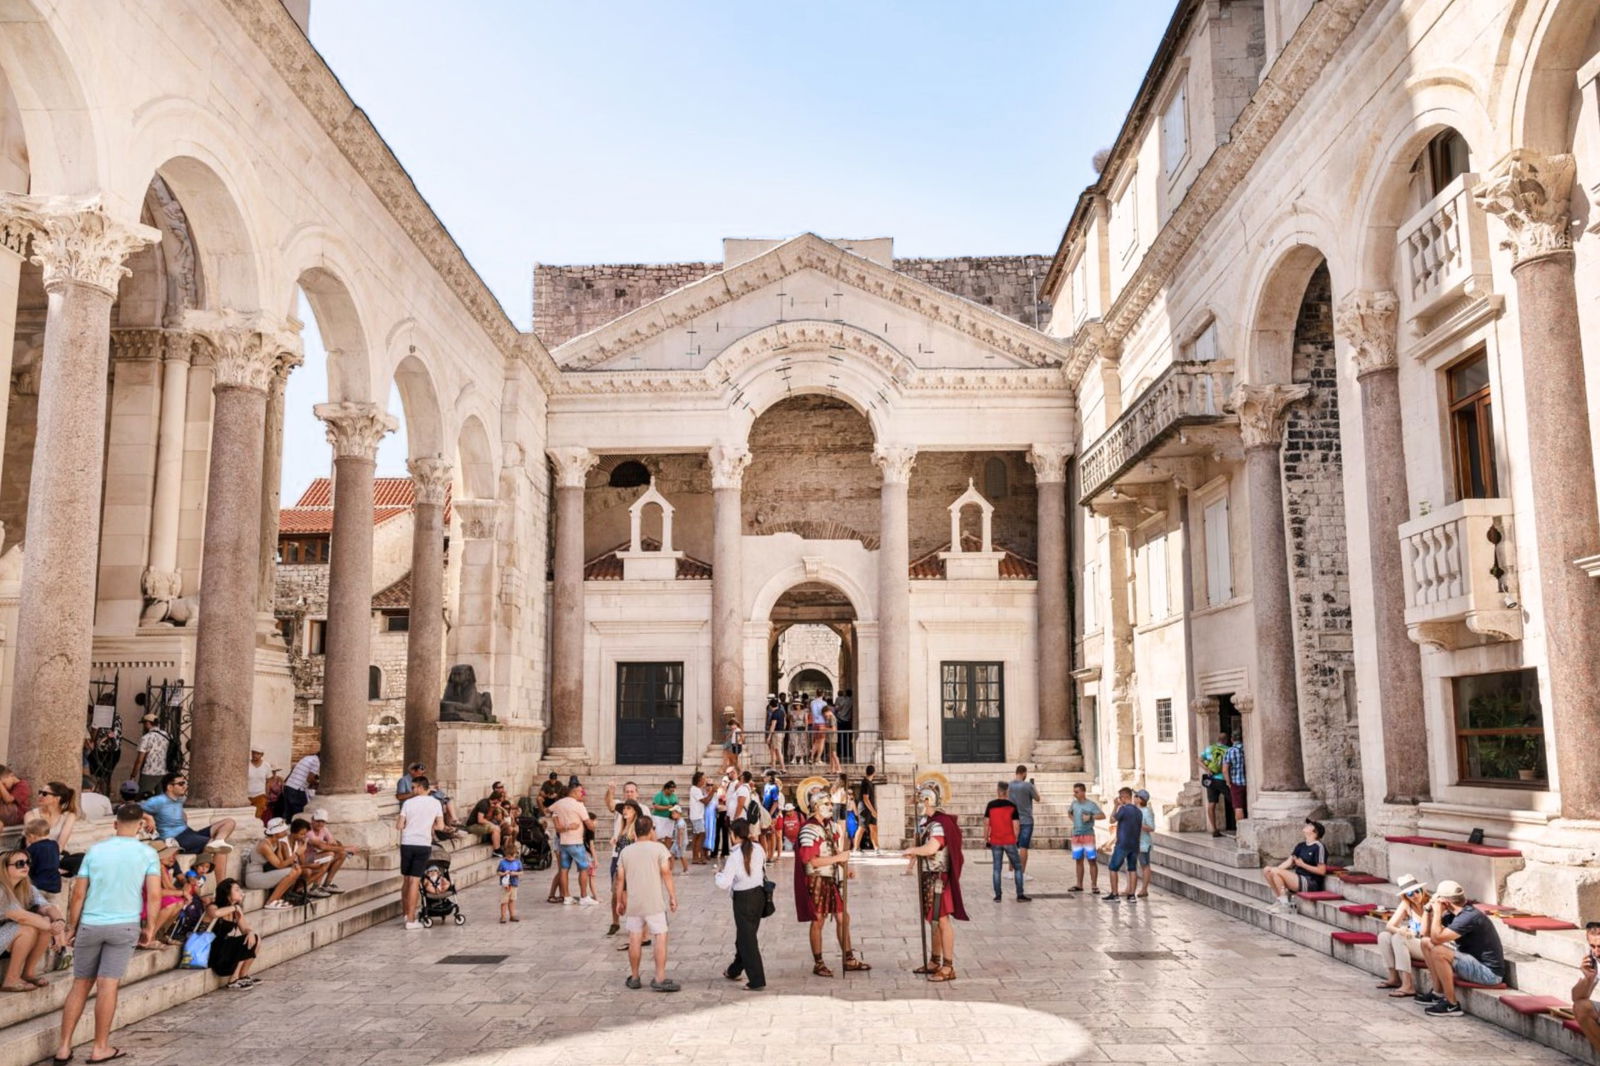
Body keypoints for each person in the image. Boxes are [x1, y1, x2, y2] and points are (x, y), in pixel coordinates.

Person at [53, 803, 159, 1066]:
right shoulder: (148, 853)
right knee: (108, 985)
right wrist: (151, 927)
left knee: (80, 983)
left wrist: (71, 927)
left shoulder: (95, 851)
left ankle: (64, 1048)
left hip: (91, 922)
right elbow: (154, 895)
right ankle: (99, 1047)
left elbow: (78, 894)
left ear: (114, 823)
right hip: (125, 924)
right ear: (140, 826)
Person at [794, 779, 868, 977]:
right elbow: (810, 860)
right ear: (816, 806)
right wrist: (838, 858)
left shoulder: (830, 826)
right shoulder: (809, 829)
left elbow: (835, 851)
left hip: (832, 878)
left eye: (830, 803)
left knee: (843, 917)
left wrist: (845, 868)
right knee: (818, 920)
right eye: (826, 804)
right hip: (817, 879)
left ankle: (849, 958)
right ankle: (818, 963)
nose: (830, 807)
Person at [905, 775, 967, 982]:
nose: (917, 803)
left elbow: (933, 847)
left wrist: (914, 849)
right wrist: (914, 858)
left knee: (942, 920)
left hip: (938, 878)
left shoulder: (939, 824)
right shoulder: (929, 822)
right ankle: (934, 960)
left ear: (928, 800)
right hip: (929, 877)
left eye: (920, 799)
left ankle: (948, 967)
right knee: (933, 921)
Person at [1418, 878, 1506, 1017]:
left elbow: (1437, 938)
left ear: (1445, 902)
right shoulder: (1455, 915)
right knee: (1425, 943)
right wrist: (1427, 910)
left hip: (1489, 974)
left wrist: (1437, 912)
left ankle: (1452, 1005)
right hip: (1472, 962)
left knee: (1438, 951)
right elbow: (1424, 933)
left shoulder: (1469, 916)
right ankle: (1437, 993)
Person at [616, 815, 679, 992]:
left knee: (634, 938)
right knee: (660, 936)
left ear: (635, 831)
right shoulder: (659, 849)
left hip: (634, 903)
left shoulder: (626, 852)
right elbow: (666, 873)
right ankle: (659, 977)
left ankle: (635, 977)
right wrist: (673, 897)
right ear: (652, 830)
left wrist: (620, 901)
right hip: (654, 903)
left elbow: (620, 879)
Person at [139, 772, 236, 880]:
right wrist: (148, 817)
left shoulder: (178, 800)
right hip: (178, 838)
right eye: (180, 784)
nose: (184, 786)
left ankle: (218, 840)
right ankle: (221, 887)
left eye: (185, 783)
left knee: (229, 822)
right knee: (221, 849)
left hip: (189, 833)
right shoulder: (158, 800)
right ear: (170, 787)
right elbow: (125, 808)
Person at [0, 845, 67, 990]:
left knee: (45, 920)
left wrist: (59, 923)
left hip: (5, 936)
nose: (25, 866)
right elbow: (21, 916)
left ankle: (28, 973)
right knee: (28, 929)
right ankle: (10, 980)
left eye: (27, 862)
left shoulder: (27, 888)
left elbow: (47, 907)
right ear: (4, 868)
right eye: (19, 864)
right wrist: (54, 930)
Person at [715, 817, 767, 991]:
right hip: (759, 896)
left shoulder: (735, 856)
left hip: (743, 899)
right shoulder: (759, 848)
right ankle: (734, 970)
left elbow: (724, 883)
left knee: (747, 940)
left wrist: (717, 874)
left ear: (734, 835)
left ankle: (757, 980)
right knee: (744, 936)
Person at [396, 774, 445, 930]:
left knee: (406, 879)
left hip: (407, 843)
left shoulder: (407, 803)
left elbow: (399, 825)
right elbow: (441, 826)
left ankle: (406, 914)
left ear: (421, 787)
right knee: (414, 881)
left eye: (413, 787)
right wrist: (429, 826)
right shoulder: (436, 803)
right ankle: (411, 920)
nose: (412, 790)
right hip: (422, 844)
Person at [1375, 875, 1431, 997]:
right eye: (1410, 894)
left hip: (1430, 945)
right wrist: (1402, 930)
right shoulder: (1406, 904)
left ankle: (1408, 985)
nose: (1414, 896)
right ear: (1406, 896)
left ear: (1422, 890)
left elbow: (1425, 933)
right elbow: (1389, 926)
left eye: (1416, 891)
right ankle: (1394, 978)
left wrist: (1407, 933)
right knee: (1384, 936)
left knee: (1398, 938)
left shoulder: (1431, 904)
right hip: (1416, 942)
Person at [247, 817, 320, 909]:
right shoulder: (264, 845)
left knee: (296, 870)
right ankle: (271, 901)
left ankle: (282, 897)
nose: (286, 833)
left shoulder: (276, 842)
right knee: (293, 871)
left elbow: (282, 864)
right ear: (276, 832)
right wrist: (297, 853)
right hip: (254, 877)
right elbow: (279, 865)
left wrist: (297, 858)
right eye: (283, 831)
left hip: (263, 874)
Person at [204, 878, 260, 990]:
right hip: (212, 953)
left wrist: (250, 933)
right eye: (237, 890)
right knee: (244, 941)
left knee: (254, 938)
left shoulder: (235, 911)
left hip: (224, 952)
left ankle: (242, 976)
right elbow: (215, 914)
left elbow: (246, 928)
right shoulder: (213, 906)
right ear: (227, 893)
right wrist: (234, 907)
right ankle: (233, 980)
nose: (241, 893)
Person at [1262, 820, 1328, 910]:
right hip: (1298, 878)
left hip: (1310, 882)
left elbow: (1322, 871)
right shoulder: (1301, 845)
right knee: (1267, 870)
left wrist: (1303, 865)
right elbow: (1288, 862)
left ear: (1315, 832)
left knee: (1274, 871)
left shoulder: (1319, 847)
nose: (1307, 825)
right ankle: (1280, 900)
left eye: (1310, 825)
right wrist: (1273, 871)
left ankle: (1285, 905)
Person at [549, 782, 596, 906]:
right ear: (574, 792)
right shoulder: (579, 805)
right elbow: (589, 825)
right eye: (581, 791)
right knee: (584, 869)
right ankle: (584, 897)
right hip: (576, 843)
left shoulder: (559, 804)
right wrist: (593, 825)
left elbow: (547, 810)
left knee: (564, 869)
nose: (582, 793)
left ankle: (566, 897)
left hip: (563, 842)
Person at [984, 782, 1027, 902]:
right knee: (1018, 867)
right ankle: (1020, 894)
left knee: (996, 869)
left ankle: (998, 896)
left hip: (995, 841)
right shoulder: (1012, 806)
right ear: (1007, 791)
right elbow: (1016, 826)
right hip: (1009, 840)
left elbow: (986, 823)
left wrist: (986, 838)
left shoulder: (990, 805)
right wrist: (1016, 839)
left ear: (998, 791)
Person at [605, 798, 642, 937]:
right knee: (615, 894)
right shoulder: (622, 826)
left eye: (629, 808)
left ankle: (636, 924)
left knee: (628, 898)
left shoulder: (636, 828)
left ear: (634, 812)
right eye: (624, 808)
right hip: (620, 865)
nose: (625, 811)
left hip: (631, 867)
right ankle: (615, 923)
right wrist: (615, 840)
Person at [304, 809, 358, 894]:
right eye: (318, 821)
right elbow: (321, 846)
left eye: (323, 821)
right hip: (304, 858)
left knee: (342, 854)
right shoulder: (308, 831)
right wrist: (347, 848)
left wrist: (340, 847)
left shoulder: (324, 829)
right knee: (329, 854)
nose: (320, 823)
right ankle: (315, 887)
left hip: (316, 857)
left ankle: (327, 884)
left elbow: (333, 843)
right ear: (312, 820)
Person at [1103, 787, 1142, 904]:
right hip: (1135, 844)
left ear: (1124, 797)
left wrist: (1116, 806)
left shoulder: (1123, 809)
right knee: (1132, 869)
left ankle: (1114, 894)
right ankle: (1132, 895)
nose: (1119, 799)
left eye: (1120, 797)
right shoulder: (1138, 811)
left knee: (1113, 867)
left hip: (1122, 843)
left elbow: (1112, 820)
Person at [1068, 783, 1104, 893]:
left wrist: (1091, 817)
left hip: (1088, 835)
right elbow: (1069, 813)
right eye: (1074, 792)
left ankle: (1094, 885)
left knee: (1091, 860)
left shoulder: (1091, 805)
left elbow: (1102, 815)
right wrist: (1074, 821)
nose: (1074, 794)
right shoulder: (1074, 804)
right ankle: (1079, 884)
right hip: (1076, 835)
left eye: (1077, 792)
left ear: (1083, 792)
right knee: (1078, 860)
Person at [1571, 921, 1600, 1053]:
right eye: (1593, 946)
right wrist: (1588, 978)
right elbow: (1576, 996)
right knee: (1580, 1007)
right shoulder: (1594, 959)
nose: (1597, 952)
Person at [1200, 732, 1235, 836]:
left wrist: (1207, 769)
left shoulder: (1209, 749)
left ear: (1218, 739)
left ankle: (1214, 829)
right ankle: (1238, 824)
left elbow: (1199, 759)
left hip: (1211, 780)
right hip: (1223, 780)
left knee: (1211, 803)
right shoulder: (1228, 749)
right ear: (1226, 740)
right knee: (1234, 802)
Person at [30, 781, 80, 854]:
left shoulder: (69, 816)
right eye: (40, 792)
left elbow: (60, 846)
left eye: (44, 794)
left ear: (57, 798)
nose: (40, 796)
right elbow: (30, 843)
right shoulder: (31, 815)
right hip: (36, 856)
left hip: (56, 855)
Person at [1007, 765, 1040, 872]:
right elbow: (1038, 798)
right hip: (1026, 820)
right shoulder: (1028, 786)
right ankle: (1021, 872)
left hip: (1012, 820)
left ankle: (1011, 870)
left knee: (1012, 846)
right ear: (1024, 773)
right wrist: (1033, 787)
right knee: (1023, 847)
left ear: (1016, 772)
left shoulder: (1009, 785)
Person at [24, 818, 63, 909]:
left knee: (39, 910)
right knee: (54, 910)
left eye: (27, 837)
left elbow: (28, 868)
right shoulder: (54, 845)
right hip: (55, 885)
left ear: (32, 836)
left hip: (38, 885)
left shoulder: (31, 850)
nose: (28, 840)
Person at [130, 714, 171, 799]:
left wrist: (133, 775)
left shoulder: (146, 738)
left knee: (141, 799)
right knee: (161, 800)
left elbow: (139, 760)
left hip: (149, 771)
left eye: (144, 723)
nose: (144, 726)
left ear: (148, 723)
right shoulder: (166, 735)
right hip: (163, 771)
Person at [281, 751, 319, 820]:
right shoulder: (316, 761)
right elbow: (309, 779)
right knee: (300, 814)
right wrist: (318, 784)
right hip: (297, 789)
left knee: (288, 814)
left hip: (289, 786)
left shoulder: (307, 758)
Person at [854, 766, 879, 852]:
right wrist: (873, 811)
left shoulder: (869, 782)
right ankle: (856, 848)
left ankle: (876, 848)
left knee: (874, 827)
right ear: (874, 773)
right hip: (865, 809)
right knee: (862, 828)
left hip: (870, 809)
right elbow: (865, 798)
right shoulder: (865, 783)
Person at [1135, 789, 1155, 897]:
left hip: (1143, 843)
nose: (1134, 798)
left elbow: (1151, 827)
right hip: (1135, 842)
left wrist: (1139, 825)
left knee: (1145, 865)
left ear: (1140, 799)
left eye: (1136, 796)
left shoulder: (1147, 812)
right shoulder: (1135, 810)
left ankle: (1144, 889)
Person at [497, 836, 522, 924]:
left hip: (514, 884)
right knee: (504, 901)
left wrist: (515, 873)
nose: (510, 858)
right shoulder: (503, 862)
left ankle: (512, 915)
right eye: (508, 856)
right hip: (506, 885)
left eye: (512, 856)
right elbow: (498, 872)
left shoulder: (517, 862)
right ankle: (503, 916)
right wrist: (504, 873)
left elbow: (521, 872)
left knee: (512, 900)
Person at [1223, 733, 1247, 820]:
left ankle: (1240, 829)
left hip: (1236, 782)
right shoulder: (1247, 749)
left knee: (1238, 806)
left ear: (1232, 739)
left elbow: (1225, 769)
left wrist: (1228, 782)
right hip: (1249, 782)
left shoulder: (1230, 751)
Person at [688, 771, 708, 866]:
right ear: (699, 780)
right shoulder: (695, 789)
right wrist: (713, 791)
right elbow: (705, 801)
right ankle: (699, 856)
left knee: (696, 836)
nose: (705, 780)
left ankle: (695, 857)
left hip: (697, 816)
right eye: (703, 779)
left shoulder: (697, 789)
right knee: (701, 835)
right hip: (697, 817)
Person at [246, 749, 270, 821]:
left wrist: (267, 796)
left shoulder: (266, 765)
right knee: (246, 817)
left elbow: (268, 782)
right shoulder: (246, 764)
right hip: (247, 795)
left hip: (260, 795)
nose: (255, 755)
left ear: (262, 755)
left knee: (257, 817)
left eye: (257, 754)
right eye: (253, 753)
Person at [765, 695, 786, 769]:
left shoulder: (774, 713)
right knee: (773, 750)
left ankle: (783, 768)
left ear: (771, 706)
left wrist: (769, 736)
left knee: (778, 751)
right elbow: (785, 722)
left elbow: (773, 725)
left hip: (776, 733)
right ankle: (773, 767)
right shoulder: (781, 712)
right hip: (781, 732)